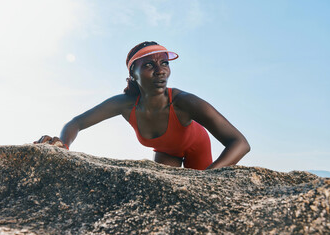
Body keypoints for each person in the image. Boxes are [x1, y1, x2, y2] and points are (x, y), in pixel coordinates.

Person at [34, 41, 250, 170]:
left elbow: (240, 143)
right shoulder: (125, 105)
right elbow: (77, 123)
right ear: (133, 74)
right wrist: (63, 145)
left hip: (197, 148)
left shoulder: (185, 102)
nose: (160, 70)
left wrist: (209, 178)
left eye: (164, 62)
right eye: (149, 64)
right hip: (166, 153)